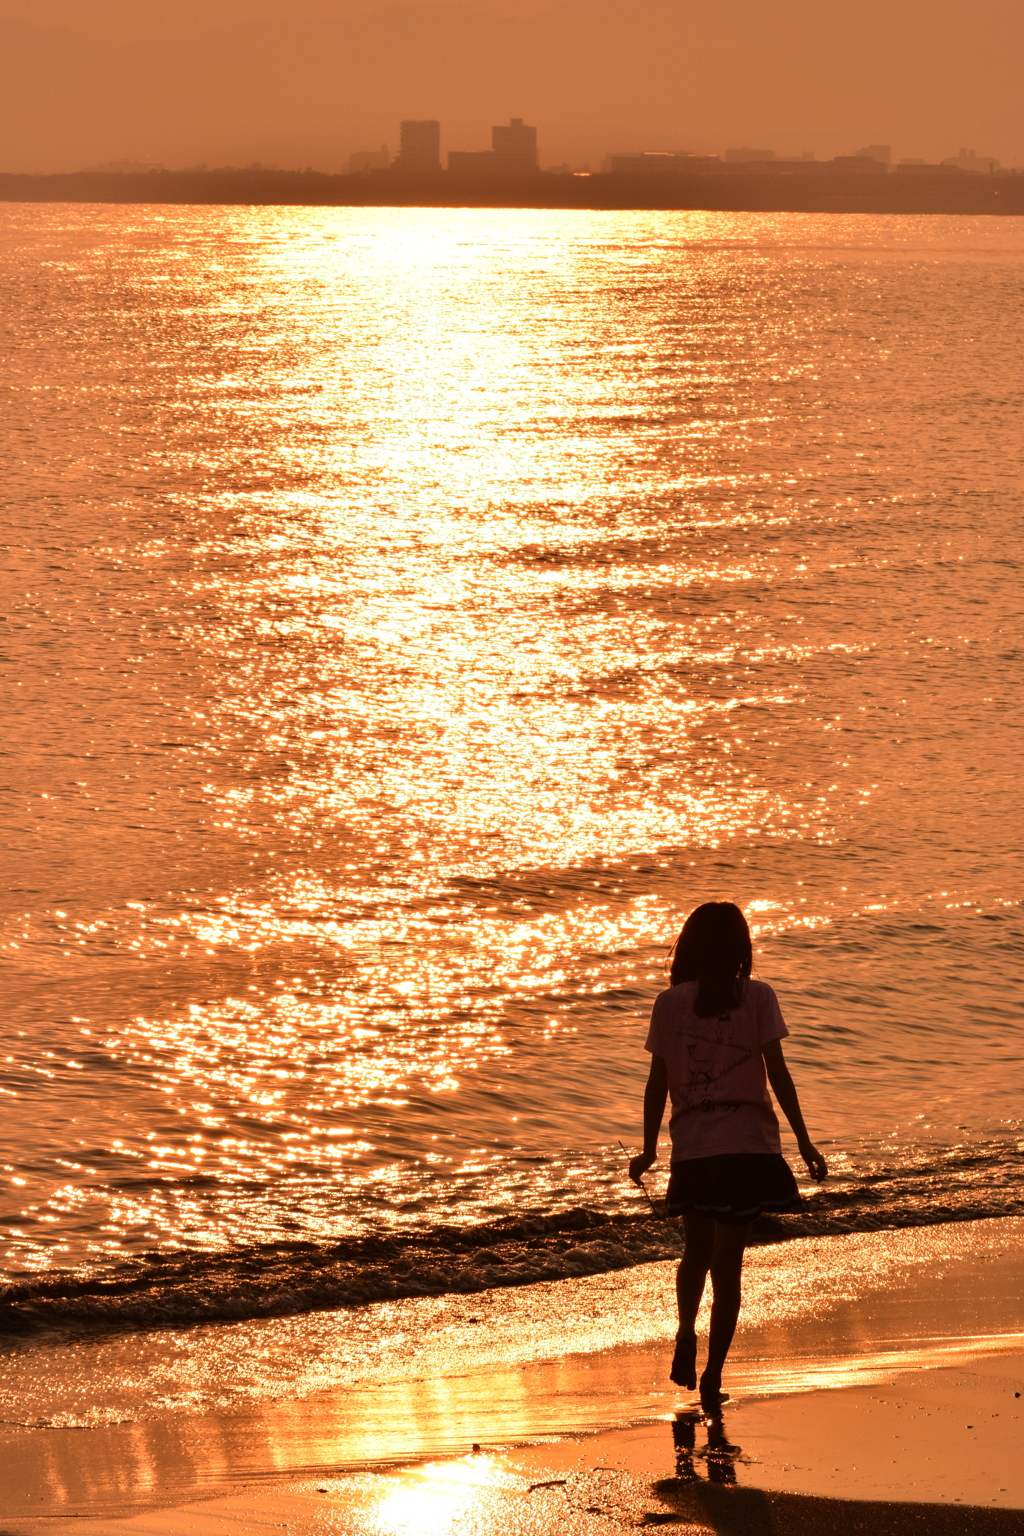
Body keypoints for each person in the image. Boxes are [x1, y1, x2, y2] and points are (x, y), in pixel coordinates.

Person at [629, 901, 826, 1411]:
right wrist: (803, 1141)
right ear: (741, 949)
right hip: (748, 1148)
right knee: (729, 1268)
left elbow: (658, 1084)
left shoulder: (670, 1003)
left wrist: (650, 1149)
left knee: (695, 1252)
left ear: (689, 949)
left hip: (694, 1150)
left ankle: (684, 1334)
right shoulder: (758, 996)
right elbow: (779, 1074)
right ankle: (714, 1376)